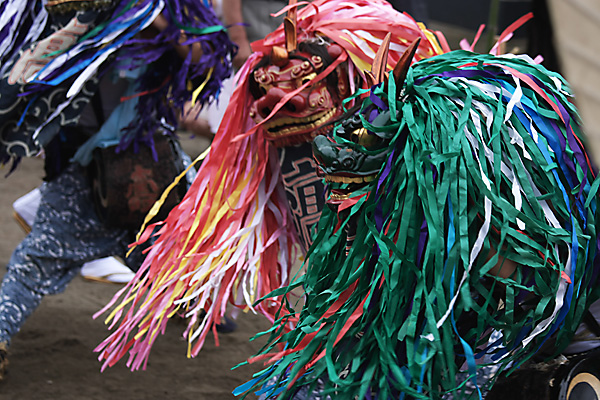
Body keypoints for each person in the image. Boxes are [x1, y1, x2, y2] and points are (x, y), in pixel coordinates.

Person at [94, 0, 449, 371]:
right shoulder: (276, 98)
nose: (281, 97)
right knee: (330, 260)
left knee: (367, 260)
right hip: (288, 98)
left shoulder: (365, 67)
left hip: (348, 88)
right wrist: (246, 48)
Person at [0, 0, 235, 379]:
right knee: (39, 258)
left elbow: (206, 64)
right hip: (82, 165)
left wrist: (157, 20)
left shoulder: (165, 11)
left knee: (170, 251)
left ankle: (191, 306)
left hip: (151, 159)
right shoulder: (55, 15)